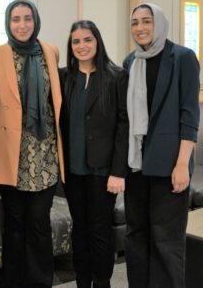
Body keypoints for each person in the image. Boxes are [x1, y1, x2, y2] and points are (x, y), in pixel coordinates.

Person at [0, 0, 64, 288]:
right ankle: (13, 281)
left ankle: (41, 281)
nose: (22, 25)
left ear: (35, 20)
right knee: (15, 222)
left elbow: (56, 101)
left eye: (27, 18)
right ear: (8, 23)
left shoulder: (50, 51)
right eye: (15, 19)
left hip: (45, 153)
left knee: (39, 222)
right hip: (10, 153)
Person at [123, 3, 200, 288]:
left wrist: (182, 165)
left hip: (170, 165)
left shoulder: (182, 57)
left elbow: (189, 114)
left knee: (166, 242)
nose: (140, 28)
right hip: (136, 166)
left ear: (160, 23)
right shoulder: (131, 61)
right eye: (135, 22)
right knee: (136, 237)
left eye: (147, 21)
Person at [59, 20, 129, 288]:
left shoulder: (116, 76)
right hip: (72, 168)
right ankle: (82, 282)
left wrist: (118, 171)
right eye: (76, 41)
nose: (82, 46)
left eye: (87, 40)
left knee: (100, 231)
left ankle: (103, 283)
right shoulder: (64, 77)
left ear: (97, 42)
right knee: (80, 229)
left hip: (103, 171)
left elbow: (124, 126)